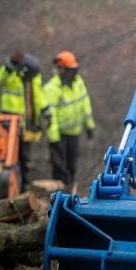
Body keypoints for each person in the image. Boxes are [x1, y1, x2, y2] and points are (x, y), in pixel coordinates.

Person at [44, 51, 95, 192]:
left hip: (74, 132)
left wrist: (89, 126)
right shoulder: (51, 88)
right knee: (59, 168)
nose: (73, 73)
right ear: (61, 70)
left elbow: (85, 103)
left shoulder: (78, 82)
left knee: (71, 166)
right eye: (70, 70)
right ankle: (56, 196)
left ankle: (70, 192)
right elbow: (51, 115)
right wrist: (54, 139)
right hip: (59, 133)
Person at [0, 50, 45, 187]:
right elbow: (1, 77)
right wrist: (10, 65)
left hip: (27, 121)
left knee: (25, 154)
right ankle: (7, 182)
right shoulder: (11, 75)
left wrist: (43, 113)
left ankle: (25, 183)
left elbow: (38, 97)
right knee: (9, 152)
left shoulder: (34, 79)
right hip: (10, 119)